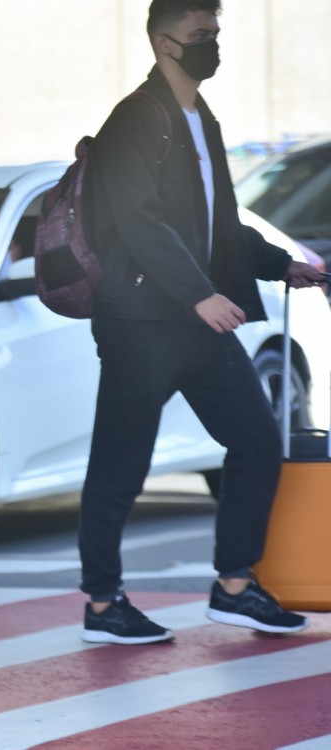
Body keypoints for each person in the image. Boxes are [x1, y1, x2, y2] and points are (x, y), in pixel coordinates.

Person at [78, 0, 325, 645]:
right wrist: (198, 294)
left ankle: (235, 586)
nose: (213, 43)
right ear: (165, 43)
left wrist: (279, 265)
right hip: (140, 321)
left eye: (216, 31)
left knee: (256, 441)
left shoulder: (199, 118)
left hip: (193, 324)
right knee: (120, 463)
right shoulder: (137, 119)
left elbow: (215, 225)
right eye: (200, 34)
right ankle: (103, 605)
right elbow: (138, 222)